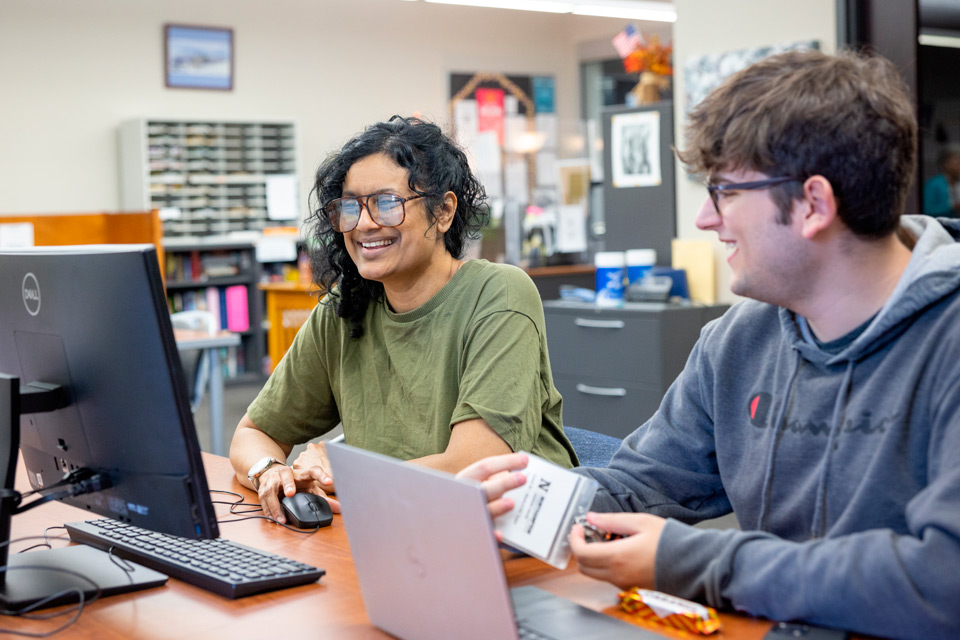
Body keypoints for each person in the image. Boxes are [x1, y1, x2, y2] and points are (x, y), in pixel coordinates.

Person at [461, 49, 960, 640]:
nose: (703, 218)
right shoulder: (738, 339)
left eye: (722, 192)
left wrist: (696, 561)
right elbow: (644, 484)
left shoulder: (946, 338)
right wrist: (518, 506)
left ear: (813, 204)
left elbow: (942, 581)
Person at [230, 116, 577, 523]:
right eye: (349, 207)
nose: (363, 223)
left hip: (516, 541)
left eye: (387, 203)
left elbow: (474, 468)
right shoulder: (345, 309)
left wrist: (340, 473)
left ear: (444, 211)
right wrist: (273, 473)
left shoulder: (498, 293)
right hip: (391, 524)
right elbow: (252, 434)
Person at [922, 147, 960, 217]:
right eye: (957, 163)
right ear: (946, 165)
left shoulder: (957, 183)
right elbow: (926, 209)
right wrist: (952, 207)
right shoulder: (933, 184)